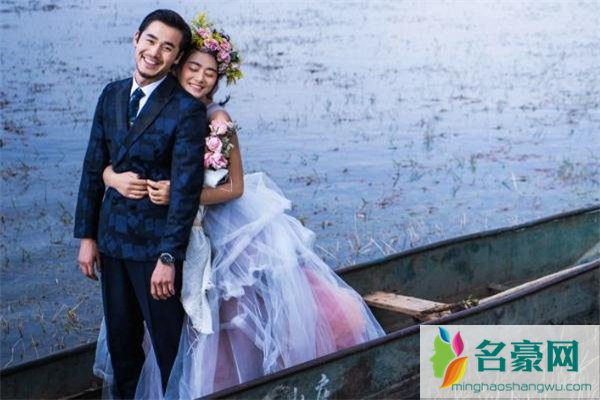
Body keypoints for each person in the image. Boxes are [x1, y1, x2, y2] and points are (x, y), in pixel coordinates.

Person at [95, 13, 385, 399]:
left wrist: (182, 195)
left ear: (219, 79)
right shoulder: (158, 109)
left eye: (210, 73)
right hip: (168, 226)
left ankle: (239, 381)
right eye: (193, 68)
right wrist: (110, 177)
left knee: (230, 310)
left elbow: (234, 186)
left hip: (216, 223)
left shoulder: (218, 120)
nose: (200, 78)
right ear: (178, 66)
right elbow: (123, 159)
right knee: (173, 317)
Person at [73, 9, 206, 399]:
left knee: (169, 349)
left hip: (153, 249)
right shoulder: (111, 95)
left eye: (167, 48)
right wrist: (87, 237)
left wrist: (168, 258)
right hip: (112, 241)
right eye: (150, 40)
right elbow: (93, 165)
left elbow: (185, 191)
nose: (154, 53)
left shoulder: (186, 109)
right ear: (136, 39)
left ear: (176, 58)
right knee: (122, 346)